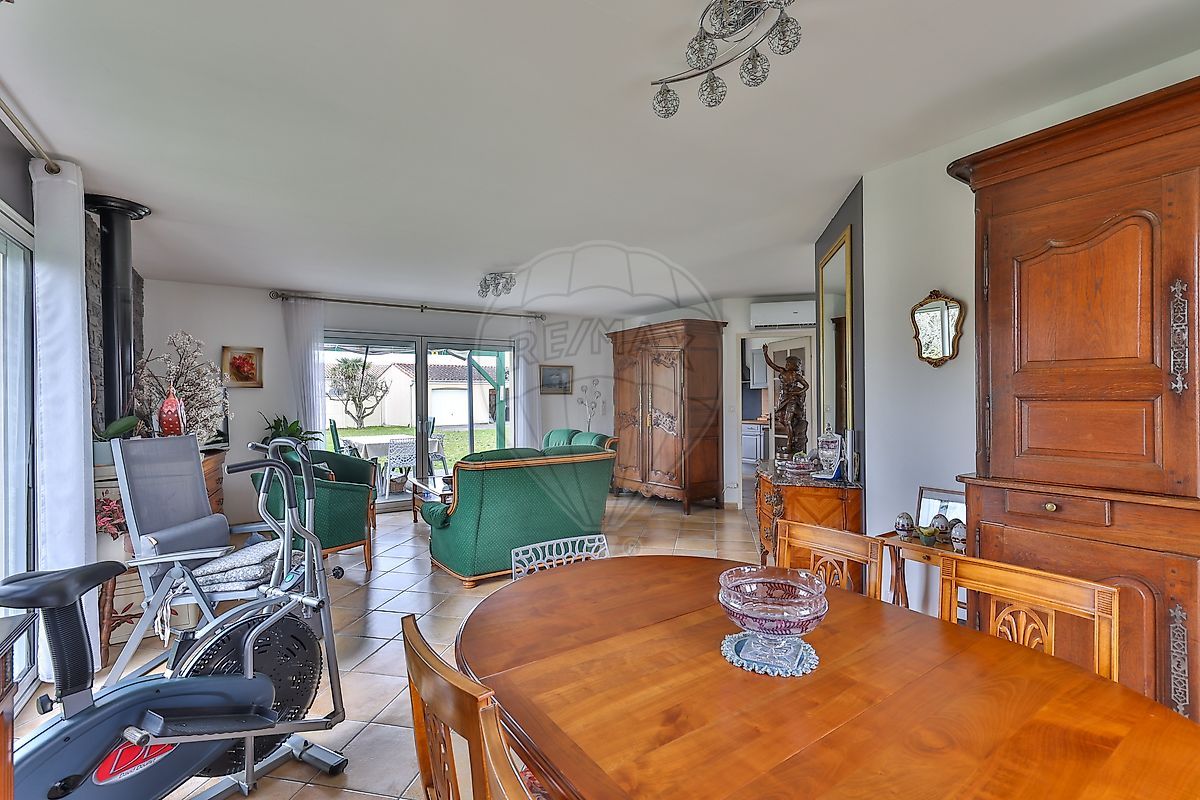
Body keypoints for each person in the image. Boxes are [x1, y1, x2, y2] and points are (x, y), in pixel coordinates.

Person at [763, 344, 810, 456]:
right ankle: (792, 438)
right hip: (783, 398)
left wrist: (796, 393)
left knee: (788, 421)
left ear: (794, 365)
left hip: (792, 400)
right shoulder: (782, 371)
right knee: (781, 419)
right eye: (786, 363)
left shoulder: (796, 376)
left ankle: (790, 444)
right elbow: (771, 364)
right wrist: (765, 353)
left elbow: (806, 386)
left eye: (789, 363)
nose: (786, 365)